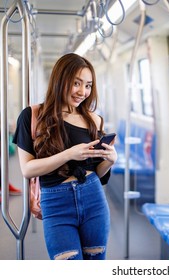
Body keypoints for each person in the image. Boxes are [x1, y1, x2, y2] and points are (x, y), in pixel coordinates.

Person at [12, 53, 117, 260]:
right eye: (76, 83)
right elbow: (27, 169)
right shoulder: (32, 116)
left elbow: (98, 172)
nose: (82, 92)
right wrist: (69, 154)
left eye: (88, 85)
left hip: (93, 197)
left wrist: (110, 160)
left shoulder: (94, 120)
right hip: (56, 201)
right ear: (60, 80)